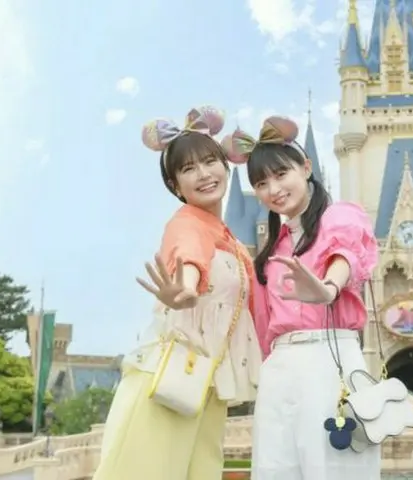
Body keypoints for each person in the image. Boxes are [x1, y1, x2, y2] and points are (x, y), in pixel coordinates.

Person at [93, 106, 262, 480]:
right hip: (172, 378)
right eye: (188, 169)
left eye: (209, 162)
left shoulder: (230, 239)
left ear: (226, 166)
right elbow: (189, 258)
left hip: (206, 381)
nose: (203, 174)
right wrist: (185, 290)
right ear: (175, 186)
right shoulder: (187, 224)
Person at [222, 116, 381, 479]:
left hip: (329, 359)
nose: (273, 189)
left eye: (281, 175)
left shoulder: (339, 216)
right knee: (275, 468)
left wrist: (328, 289)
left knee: (335, 468)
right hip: (280, 368)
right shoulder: (271, 253)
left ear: (306, 168)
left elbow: (345, 253)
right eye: (262, 183)